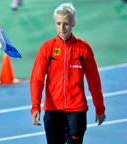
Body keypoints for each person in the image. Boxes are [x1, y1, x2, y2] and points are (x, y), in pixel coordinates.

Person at [30, 2, 106, 144]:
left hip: (77, 110)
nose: (62, 28)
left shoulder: (83, 48)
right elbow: (37, 79)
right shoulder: (47, 48)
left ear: (73, 23)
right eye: (58, 23)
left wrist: (100, 107)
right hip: (53, 111)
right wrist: (35, 106)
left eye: (66, 23)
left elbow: (94, 80)